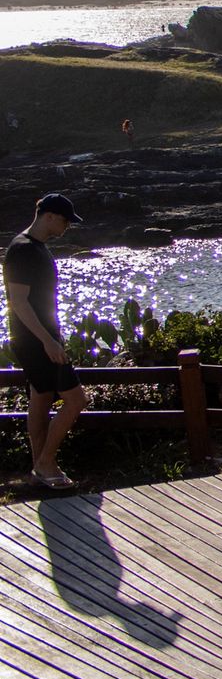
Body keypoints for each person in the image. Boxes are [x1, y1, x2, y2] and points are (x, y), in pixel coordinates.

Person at [5, 194, 86, 489]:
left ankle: (40, 469)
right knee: (77, 400)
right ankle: (46, 462)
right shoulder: (23, 249)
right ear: (49, 216)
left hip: (40, 339)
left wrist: (53, 337)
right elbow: (19, 302)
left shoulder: (36, 247)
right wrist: (48, 341)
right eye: (65, 220)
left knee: (40, 398)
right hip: (35, 341)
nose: (67, 226)